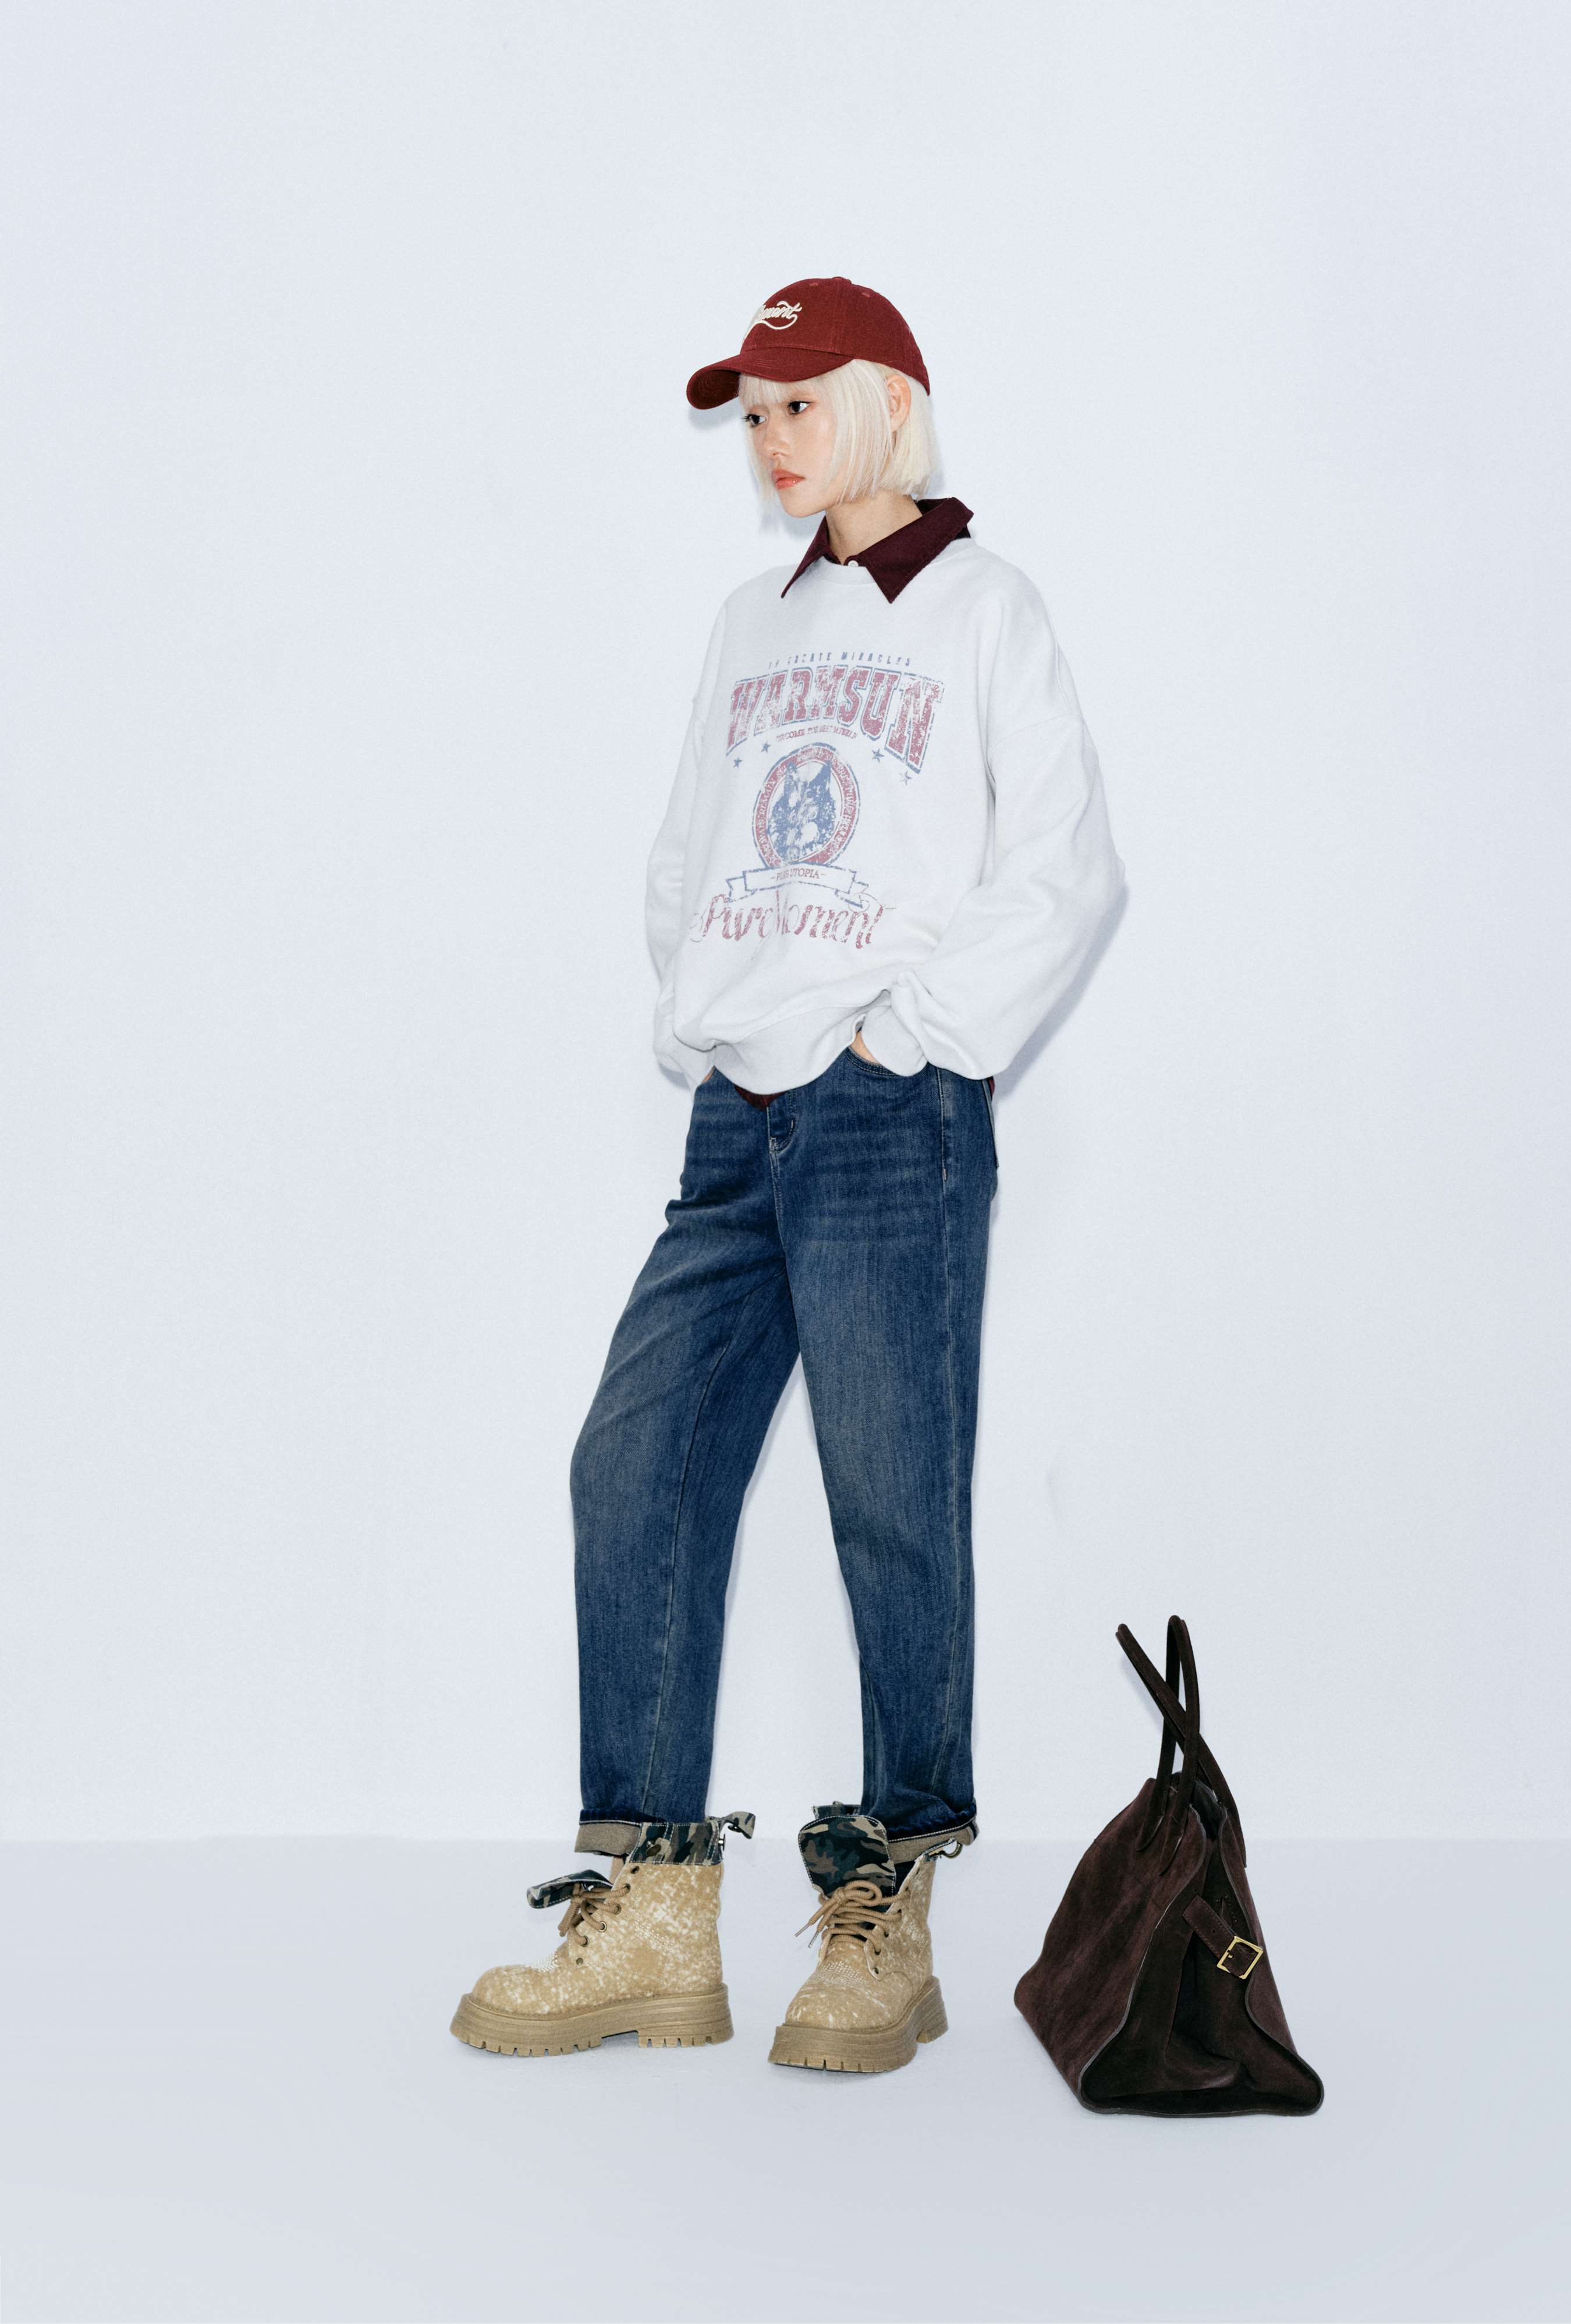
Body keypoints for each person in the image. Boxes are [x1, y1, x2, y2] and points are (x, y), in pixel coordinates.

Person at [449, 277, 1124, 2075]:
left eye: (798, 405)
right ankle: (659, 1905)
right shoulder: (749, 626)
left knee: (889, 1494)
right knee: (636, 1457)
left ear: (887, 402)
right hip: (737, 1114)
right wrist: (709, 1007)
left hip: (888, 1113)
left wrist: (907, 1035)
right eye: (750, 415)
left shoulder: (984, 607)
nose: (768, 442)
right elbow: (686, 850)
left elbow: (1066, 865)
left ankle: (888, 1902)